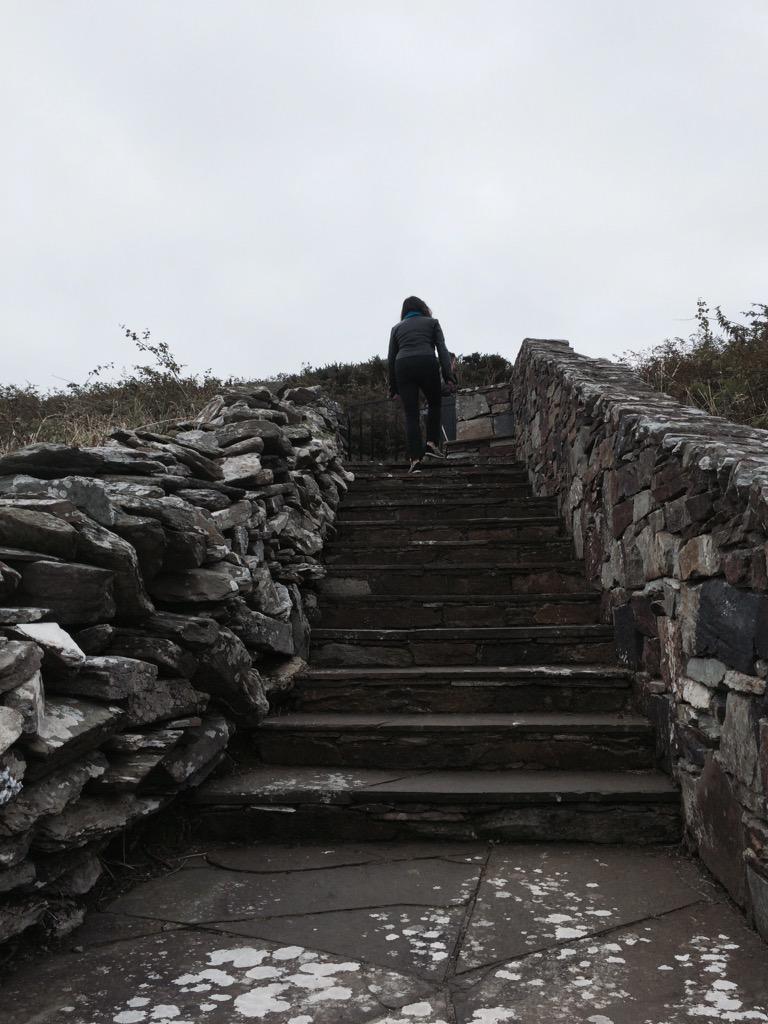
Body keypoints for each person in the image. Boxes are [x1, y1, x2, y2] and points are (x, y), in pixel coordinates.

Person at [388, 296, 457, 473]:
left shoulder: (396, 329)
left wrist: (393, 388)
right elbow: (442, 349)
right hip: (427, 361)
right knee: (434, 403)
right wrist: (449, 377)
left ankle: (415, 460)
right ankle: (431, 444)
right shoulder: (432, 323)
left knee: (411, 415)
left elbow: (391, 359)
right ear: (422, 308)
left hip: (402, 365)